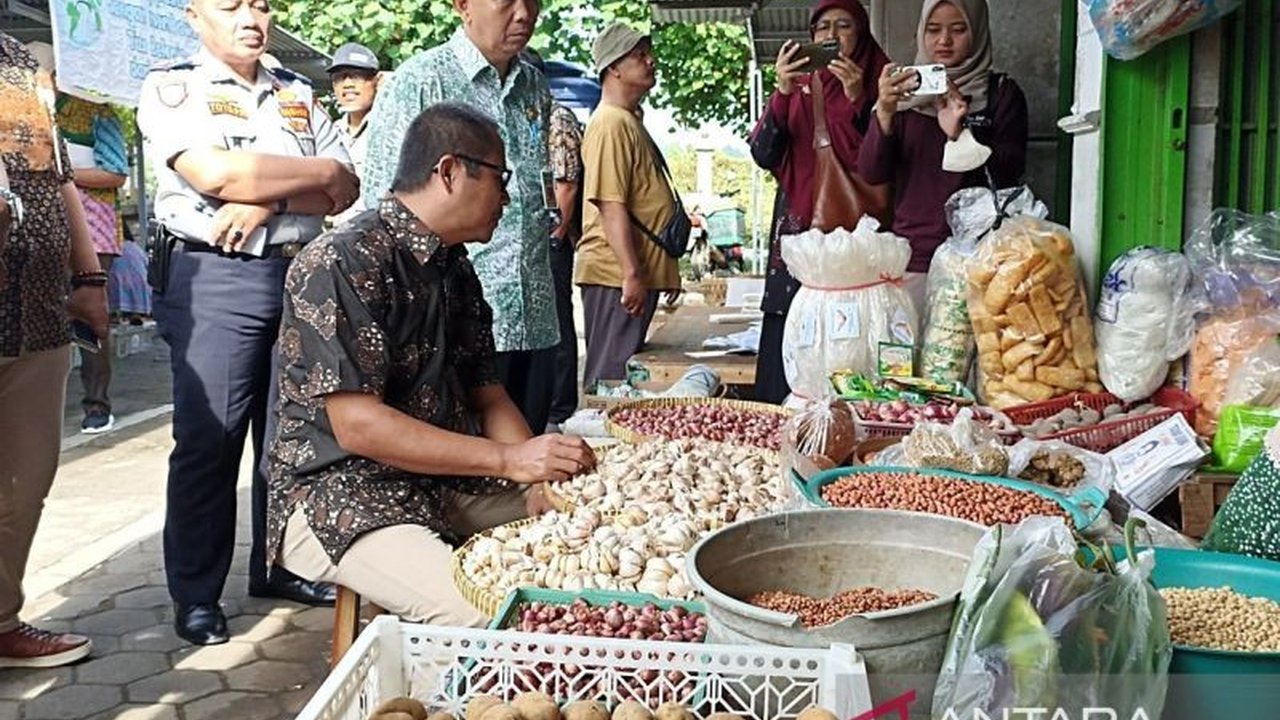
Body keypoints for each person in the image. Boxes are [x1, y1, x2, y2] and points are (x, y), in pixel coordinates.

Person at [267, 103, 596, 626]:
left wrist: (536, 481)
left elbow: (487, 394)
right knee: (487, 612)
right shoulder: (341, 259)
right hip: (336, 490)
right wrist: (510, 462)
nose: (508, 198)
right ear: (449, 172)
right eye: (499, 178)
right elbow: (358, 426)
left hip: (436, 479)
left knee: (594, 530)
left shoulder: (454, 265)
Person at [137, 0, 360, 645]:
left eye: (261, 3)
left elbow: (343, 187)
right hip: (218, 275)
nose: (250, 16)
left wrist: (268, 202)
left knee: (287, 438)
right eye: (230, 4)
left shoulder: (297, 92)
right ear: (194, 15)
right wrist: (312, 176)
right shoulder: (174, 86)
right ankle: (197, 594)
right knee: (211, 441)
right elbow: (212, 173)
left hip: (296, 272)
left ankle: (280, 565)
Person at [362, 0, 560, 435]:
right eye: (507, 1)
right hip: (455, 327)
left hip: (535, 315)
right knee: (466, 477)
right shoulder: (421, 80)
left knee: (527, 467)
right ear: (463, 6)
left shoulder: (534, 86)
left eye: (533, 1)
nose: (524, 13)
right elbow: (380, 202)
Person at [0, 31, 109, 667]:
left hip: (35, 315)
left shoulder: (16, 59)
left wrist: (89, 278)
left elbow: (60, 174)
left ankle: (3, 620)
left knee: (24, 478)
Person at [747, 0, 890, 405]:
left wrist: (860, 98)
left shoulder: (881, 80)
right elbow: (763, 154)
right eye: (822, 27)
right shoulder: (799, 87)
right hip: (798, 240)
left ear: (860, 34)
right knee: (789, 354)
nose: (832, 35)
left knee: (849, 355)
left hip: (854, 248)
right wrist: (781, 91)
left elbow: (883, 162)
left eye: (844, 25)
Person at [858, 0, 1028, 309]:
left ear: (977, 32)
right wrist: (883, 111)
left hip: (980, 259)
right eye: (933, 30)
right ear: (921, 34)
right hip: (913, 259)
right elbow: (871, 172)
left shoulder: (1001, 94)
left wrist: (959, 134)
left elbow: (1009, 172)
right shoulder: (904, 97)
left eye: (959, 29)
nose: (944, 41)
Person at [29, 42, 130, 433]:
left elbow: (117, 173)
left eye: (36, 75)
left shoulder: (95, 113)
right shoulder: (19, 118)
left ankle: (96, 405)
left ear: (56, 76)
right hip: (40, 231)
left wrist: (59, 174)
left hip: (95, 230)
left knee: (89, 319)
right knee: (39, 319)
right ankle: (37, 407)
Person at [575, 24, 681, 393]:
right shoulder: (609, 124)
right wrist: (632, 273)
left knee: (621, 380)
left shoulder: (627, 120)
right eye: (639, 54)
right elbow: (611, 205)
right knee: (609, 385)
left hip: (626, 275)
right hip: (614, 276)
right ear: (613, 67)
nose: (651, 60)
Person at [524, 49, 585, 430]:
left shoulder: (555, 116)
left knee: (557, 323)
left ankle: (559, 408)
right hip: (524, 237)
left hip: (548, 237)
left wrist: (556, 233)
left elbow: (565, 181)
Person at [327, 42, 380, 225]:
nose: (347, 84)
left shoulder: (391, 130)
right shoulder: (329, 133)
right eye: (340, 77)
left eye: (357, 76)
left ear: (377, 81)